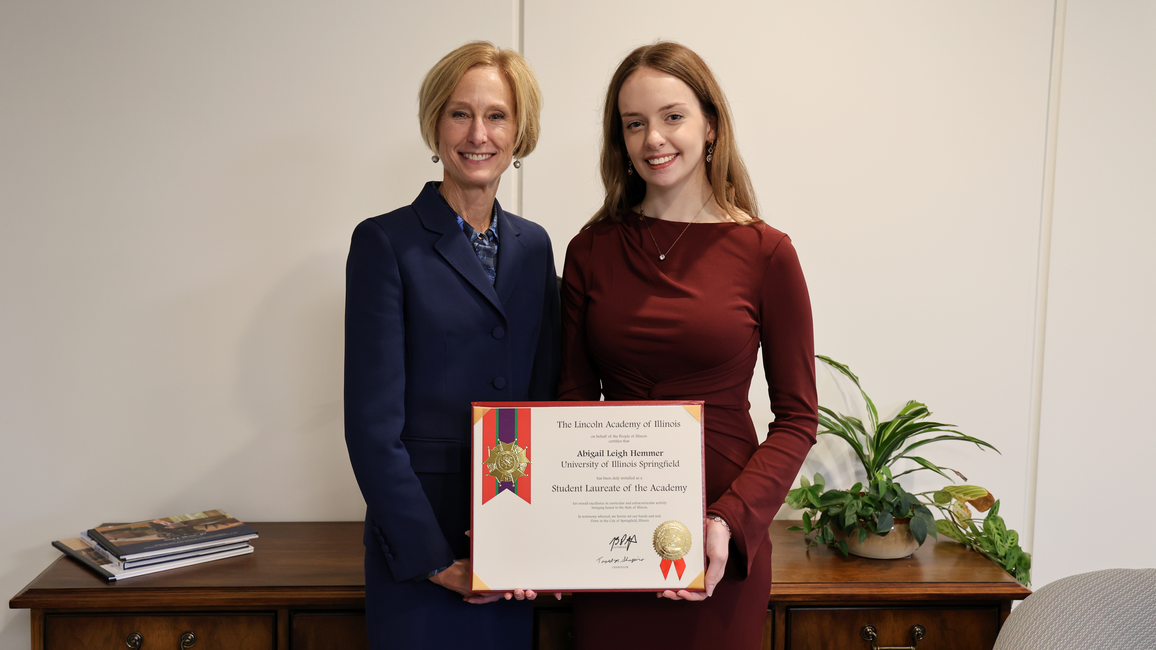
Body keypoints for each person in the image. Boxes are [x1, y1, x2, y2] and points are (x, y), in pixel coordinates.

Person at [558, 42, 819, 649]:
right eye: (634, 123)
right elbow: (571, 400)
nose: (654, 138)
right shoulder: (589, 250)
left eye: (672, 116)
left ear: (710, 126)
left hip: (720, 539)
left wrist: (728, 521)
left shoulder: (767, 253)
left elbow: (799, 418)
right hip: (611, 532)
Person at [344, 41, 559, 650]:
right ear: (435, 123)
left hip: (512, 541)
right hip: (416, 549)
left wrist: (539, 537)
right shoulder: (384, 242)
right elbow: (371, 429)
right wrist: (435, 561)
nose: (478, 133)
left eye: (497, 115)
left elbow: (540, 402)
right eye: (460, 113)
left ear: (519, 132)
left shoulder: (536, 246)